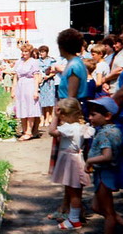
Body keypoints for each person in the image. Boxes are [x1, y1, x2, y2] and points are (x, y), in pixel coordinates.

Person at [49, 98, 94, 230]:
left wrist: (54, 117)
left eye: (61, 114)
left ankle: (74, 220)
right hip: (77, 159)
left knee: (73, 191)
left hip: (71, 161)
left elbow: (52, 132)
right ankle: (75, 215)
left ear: (64, 115)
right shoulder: (83, 127)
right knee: (75, 191)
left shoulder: (68, 128)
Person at [85, 97, 123, 234]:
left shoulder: (104, 134)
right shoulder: (116, 130)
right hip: (109, 173)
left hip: (104, 175)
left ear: (107, 116)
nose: (90, 118)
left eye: (93, 115)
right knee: (96, 206)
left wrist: (90, 161)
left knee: (108, 213)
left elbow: (106, 156)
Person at [11, 44, 41, 141]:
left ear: (30, 52)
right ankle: (24, 130)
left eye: (26, 52)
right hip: (20, 86)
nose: (24, 53)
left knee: (30, 108)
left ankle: (29, 131)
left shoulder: (34, 62)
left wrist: (35, 91)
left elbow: (36, 77)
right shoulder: (19, 62)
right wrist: (13, 90)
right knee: (21, 108)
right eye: (23, 51)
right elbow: (15, 77)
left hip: (30, 85)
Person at [102, 23, 123, 95]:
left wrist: (104, 80)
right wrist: (107, 83)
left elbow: (120, 70)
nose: (121, 36)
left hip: (119, 93)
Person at [38, 45, 56, 127]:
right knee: (42, 101)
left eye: (43, 52)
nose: (41, 53)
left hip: (49, 81)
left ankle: (48, 118)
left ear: (46, 52)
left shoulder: (51, 60)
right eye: (40, 52)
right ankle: (42, 118)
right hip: (41, 82)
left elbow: (54, 71)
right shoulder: (38, 61)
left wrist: (48, 76)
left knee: (49, 101)